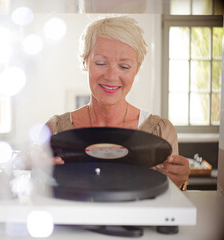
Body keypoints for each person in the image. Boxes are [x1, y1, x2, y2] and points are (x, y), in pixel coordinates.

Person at [45, 16, 190, 190]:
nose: (111, 76)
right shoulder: (55, 129)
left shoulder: (161, 131)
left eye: (124, 66)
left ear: (136, 69)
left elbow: (168, 205)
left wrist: (179, 183)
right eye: (101, 63)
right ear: (85, 62)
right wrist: (37, 177)